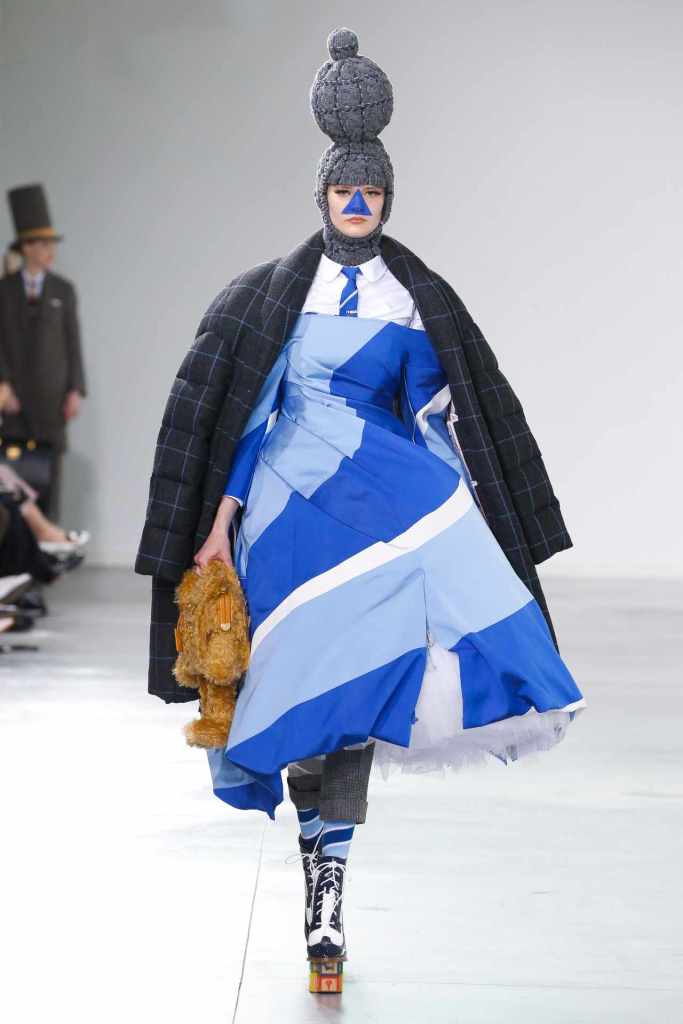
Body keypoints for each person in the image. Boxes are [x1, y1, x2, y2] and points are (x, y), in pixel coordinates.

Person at [136, 29, 585, 971]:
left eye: (369, 191)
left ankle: (327, 885)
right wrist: (217, 522)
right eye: (342, 188)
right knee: (295, 689)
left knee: (352, 692)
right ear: (320, 195)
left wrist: (473, 504)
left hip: (382, 511)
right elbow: (244, 415)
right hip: (282, 518)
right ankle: (321, 868)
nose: (354, 202)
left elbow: (440, 415)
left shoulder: (416, 300)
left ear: (387, 198)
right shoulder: (268, 296)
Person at [0, 184, 86, 520]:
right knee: (16, 476)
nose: (50, 250)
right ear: (26, 247)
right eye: (43, 243)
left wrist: (75, 390)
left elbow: (73, 342)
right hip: (15, 402)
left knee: (50, 475)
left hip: (53, 400)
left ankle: (48, 543)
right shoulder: (4, 290)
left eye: (52, 244)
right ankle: (18, 545)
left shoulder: (64, 291)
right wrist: (4, 385)